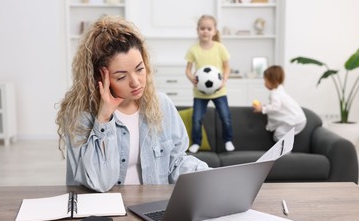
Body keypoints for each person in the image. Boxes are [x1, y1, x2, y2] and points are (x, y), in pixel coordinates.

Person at [56, 15, 209, 193]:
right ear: (99, 79)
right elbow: (99, 182)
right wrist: (103, 119)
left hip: (150, 208)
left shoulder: (161, 104)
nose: (135, 82)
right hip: (104, 213)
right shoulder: (80, 116)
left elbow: (175, 162)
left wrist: (211, 176)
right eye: (121, 76)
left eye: (139, 69)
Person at [185, 15, 235, 153]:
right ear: (197, 30)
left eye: (209, 28)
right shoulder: (193, 49)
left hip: (219, 91)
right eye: (202, 28)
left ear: (214, 31)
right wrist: (191, 79)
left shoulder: (220, 48)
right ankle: (196, 142)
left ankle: (228, 140)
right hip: (200, 92)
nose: (205, 31)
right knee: (196, 119)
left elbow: (227, 67)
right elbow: (188, 70)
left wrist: (224, 80)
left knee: (225, 117)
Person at [253, 65, 307, 141]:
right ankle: (286, 150)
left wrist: (262, 108)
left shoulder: (275, 93)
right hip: (300, 119)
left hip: (295, 121)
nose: (264, 83)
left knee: (278, 134)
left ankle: (285, 152)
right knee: (282, 134)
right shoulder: (280, 91)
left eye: (265, 80)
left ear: (272, 80)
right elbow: (277, 106)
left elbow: (275, 107)